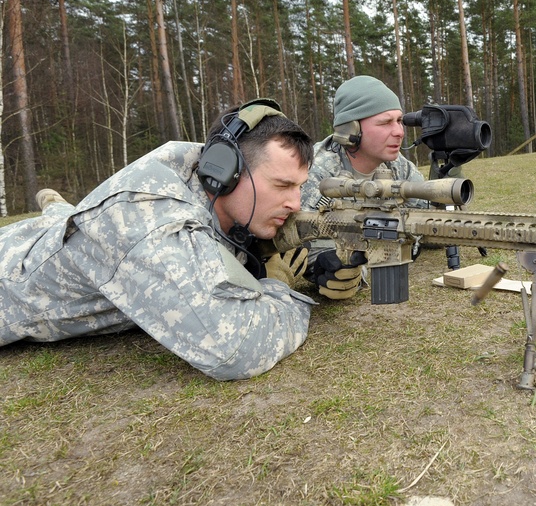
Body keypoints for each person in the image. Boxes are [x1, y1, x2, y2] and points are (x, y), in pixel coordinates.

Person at [0, 100, 317, 381]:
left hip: (65, 238)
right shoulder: (147, 215)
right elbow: (234, 350)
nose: (295, 203)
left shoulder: (212, 178)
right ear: (226, 170)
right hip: (9, 279)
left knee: (62, 220)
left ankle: (55, 206)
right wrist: (279, 287)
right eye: (282, 185)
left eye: (299, 187)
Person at [301, 75, 428, 300]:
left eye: (399, 120)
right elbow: (300, 243)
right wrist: (328, 266)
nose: (399, 131)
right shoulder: (317, 173)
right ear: (351, 129)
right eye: (385, 122)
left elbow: (424, 214)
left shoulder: (397, 164)